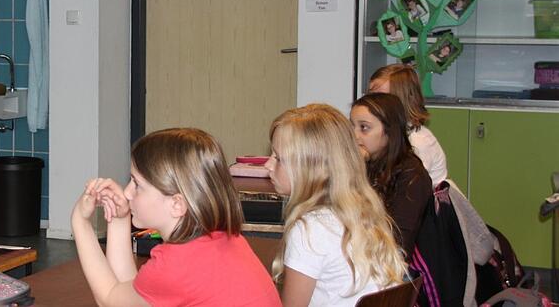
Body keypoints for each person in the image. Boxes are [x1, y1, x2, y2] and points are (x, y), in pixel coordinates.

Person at [71, 127, 280, 306]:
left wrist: (80, 221)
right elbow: (134, 297)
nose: (127, 193)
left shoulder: (177, 264)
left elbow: (109, 300)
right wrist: (119, 218)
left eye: (137, 184)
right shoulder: (223, 240)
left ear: (177, 204)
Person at [265, 104, 407, 307]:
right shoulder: (361, 212)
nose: (267, 165)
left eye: (278, 158)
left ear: (311, 169)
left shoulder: (309, 230)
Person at [350, 93, 432, 258]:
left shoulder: (412, 177)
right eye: (352, 127)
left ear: (389, 131)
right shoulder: (367, 164)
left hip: (395, 270)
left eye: (364, 127)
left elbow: (398, 244)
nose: (354, 135)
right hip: (366, 257)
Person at [369, 64, 448, 187]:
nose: (371, 104)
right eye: (370, 96)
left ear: (403, 100)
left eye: (381, 98)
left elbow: (407, 189)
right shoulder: (387, 134)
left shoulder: (418, 142)